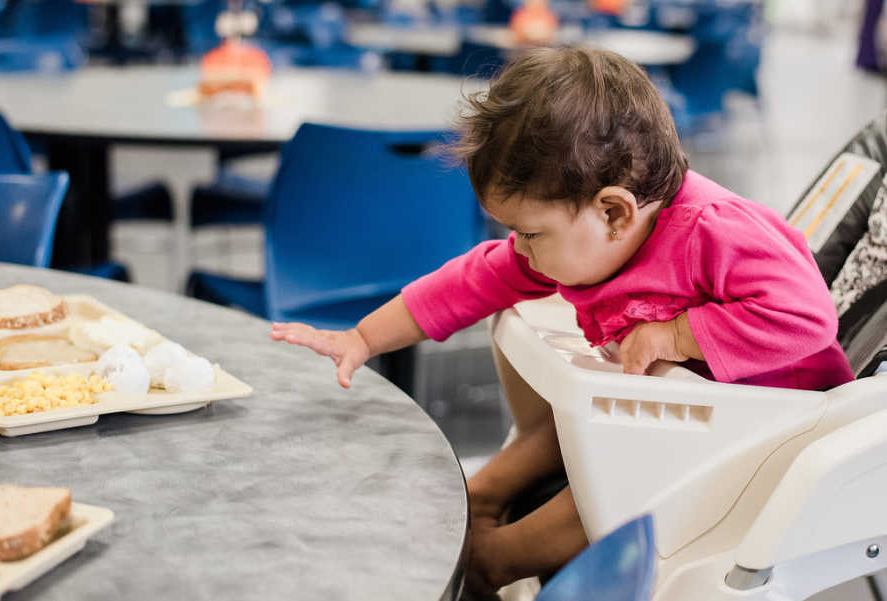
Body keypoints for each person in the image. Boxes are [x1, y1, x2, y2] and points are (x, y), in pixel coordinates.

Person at [270, 46, 855, 596]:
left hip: (767, 435)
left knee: (616, 485)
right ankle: (485, 494)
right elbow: (470, 282)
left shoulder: (715, 232)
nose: (516, 248)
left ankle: (491, 563)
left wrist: (675, 335)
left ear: (613, 211)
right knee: (574, 427)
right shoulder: (583, 241)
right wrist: (364, 337)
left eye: (528, 232)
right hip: (670, 418)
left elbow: (807, 319)